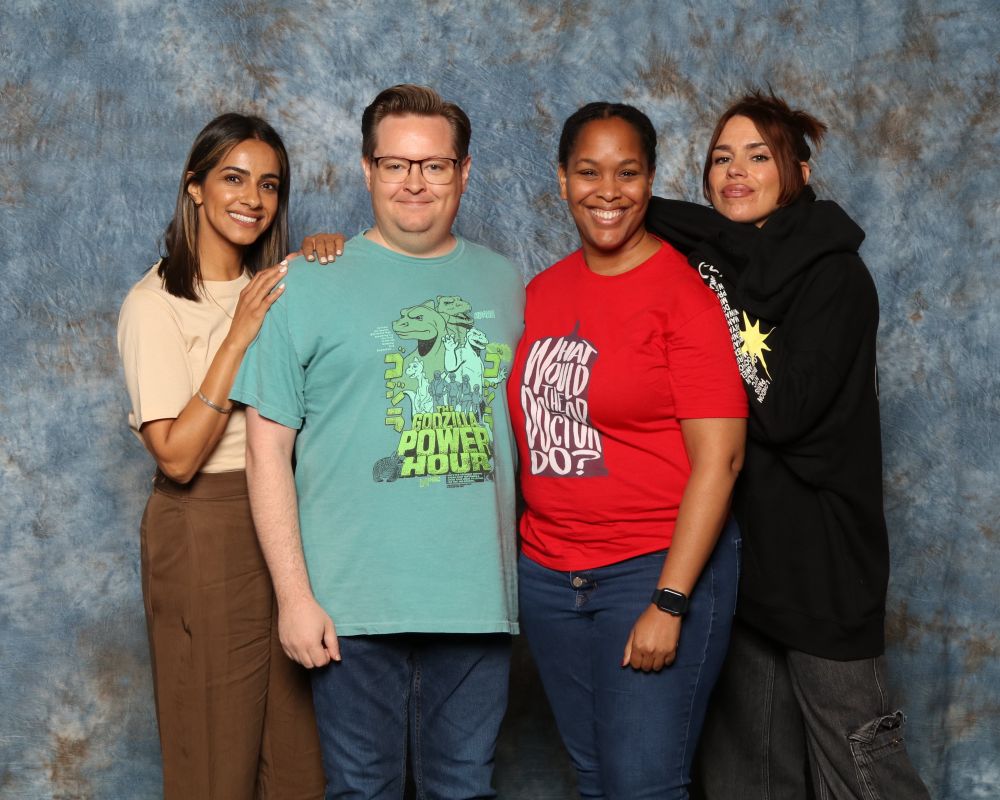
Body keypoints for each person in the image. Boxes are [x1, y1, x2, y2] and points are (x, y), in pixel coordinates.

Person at [231, 85, 525, 800]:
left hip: (477, 600)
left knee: (465, 789)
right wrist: (294, 598)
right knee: (362, 790)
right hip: (351, 604)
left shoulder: (508, 281)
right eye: (395, 165)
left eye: (434, 166)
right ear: (366, 170)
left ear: (465, 171)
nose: (414, 183)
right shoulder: (302, 284)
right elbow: (265, 450)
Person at [646, 90, 931, 800]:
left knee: (857, 763)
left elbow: (783, 412)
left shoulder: (835, 276)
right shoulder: (725, 250)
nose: (735, 173)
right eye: (720, 158)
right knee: (747, 771)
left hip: (824, 564)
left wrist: (717, 298)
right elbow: (627, 205)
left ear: (798, 171)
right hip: (743, 560)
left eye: (758, 156)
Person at [507, 102, 748, 799]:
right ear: (561, 180)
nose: (607, 191)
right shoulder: (542, 292)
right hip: (551, 576)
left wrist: (669, 601)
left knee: (643, 785)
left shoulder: (685, 299)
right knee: (594, 779)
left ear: (651, 181)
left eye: (627, 172)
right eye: (588, 171)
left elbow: (722, 460)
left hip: (650, 571)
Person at [116, 113, 325, 799]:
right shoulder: (155, 305)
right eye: (234, 178)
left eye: (269, 184)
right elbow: (175, 458)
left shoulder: (281, 285)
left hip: (284, 522)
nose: (252, 199)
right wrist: (236, 338)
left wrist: (333, 257)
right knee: (215, 757)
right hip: (202, 525)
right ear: (195, 187)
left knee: (298, 761)